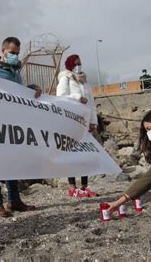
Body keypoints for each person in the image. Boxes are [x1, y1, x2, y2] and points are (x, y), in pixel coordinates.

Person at [0, 36, 41, 217]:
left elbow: (17, 91)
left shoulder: (15, 72)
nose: (15, 56)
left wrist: (33, 88)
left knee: (12, 160)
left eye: (17, 53)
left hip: (11, 121)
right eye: (11, 52)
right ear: (3, 51)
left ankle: (14, 200)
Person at [56, 54, 99, 198]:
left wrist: (93, 121)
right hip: (71, 121)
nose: (78, 66)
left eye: (80, 63)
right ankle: (73, 187)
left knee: (85, 153)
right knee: (72, 154)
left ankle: (85, 187)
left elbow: (91, 102)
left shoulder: (84, 81)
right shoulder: (65, 78)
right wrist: (77, 98)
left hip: (85, 122)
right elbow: (60, 97)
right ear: (69, 65)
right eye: (75, 63)